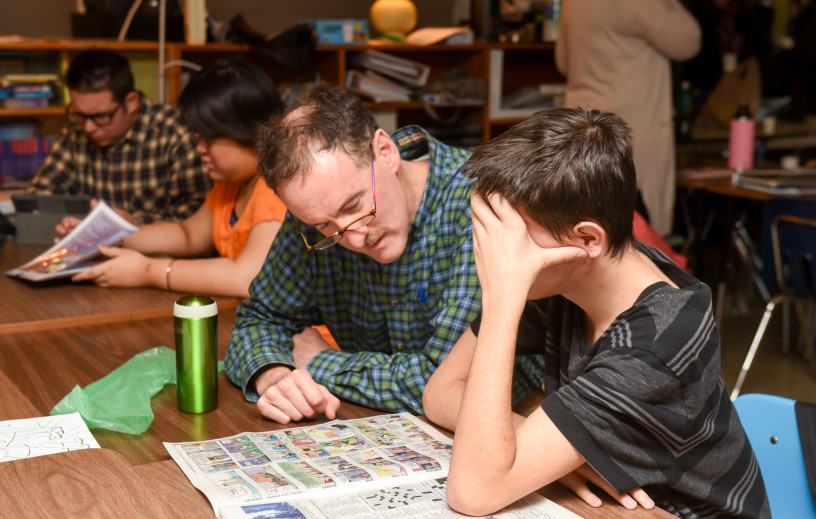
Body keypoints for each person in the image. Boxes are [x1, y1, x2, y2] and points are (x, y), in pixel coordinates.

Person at [422, 108, 771, 519]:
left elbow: (474, 491)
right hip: (617, 517)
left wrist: (502, 295)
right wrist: (530, 444)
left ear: (587, 239)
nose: (494, 251)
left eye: (511, 236)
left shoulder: (654, 348)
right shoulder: (575, 272)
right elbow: (439, 391)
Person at [224, 82, 497, 424]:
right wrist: (276, 377)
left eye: (355, 205)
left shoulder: (483, 203)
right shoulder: (315, 218)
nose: (353, 238)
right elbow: (258, 319)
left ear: (385, 151)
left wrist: (320, 363)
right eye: (324, 226)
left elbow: (449, 386)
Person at [63, 59, 286, 298]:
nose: (199, 148)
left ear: (253, 130)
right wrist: (112, 237)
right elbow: (187, 234)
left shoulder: (277, 189)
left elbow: (245, 278)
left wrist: (148, 271)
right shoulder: (232, 182)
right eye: (197, 136)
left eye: (209, 137)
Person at [555, 0, 702, 236]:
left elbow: (563, 61)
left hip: (579, 127)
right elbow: (688, 40)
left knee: (583, 226)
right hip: (628, 131)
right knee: (635, 235)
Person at [29, 49, 210, 225]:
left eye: (100, 116)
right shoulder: (75, 132)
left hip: (154, 251)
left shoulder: (175, 132)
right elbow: (40, 195)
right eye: (79, 115)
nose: (89, 127)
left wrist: (133, 224)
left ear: (131, 102)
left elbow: (195, 215)